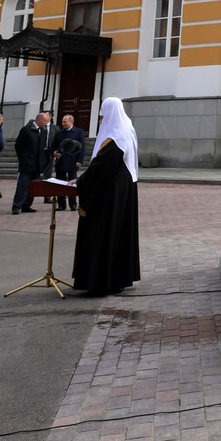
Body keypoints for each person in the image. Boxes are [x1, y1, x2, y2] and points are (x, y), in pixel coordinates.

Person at [73, 96, 141, 296]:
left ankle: (101, 280)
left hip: (109, 194)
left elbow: (100, 170)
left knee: (104, 232)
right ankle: (116, 278)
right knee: (117, 232)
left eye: (102, 116)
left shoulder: (116, 138)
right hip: (121, 189)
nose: (101, 120)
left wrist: (80, 181)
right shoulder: (126, 131)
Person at [13, 110, 52, 214]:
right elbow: (18, 145)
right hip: (27, 164)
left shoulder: (43, 131)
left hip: (37, 164)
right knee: (23, 185)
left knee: (33, 187)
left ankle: (27, 205)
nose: (46, 124)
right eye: (45, 121)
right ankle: (17, 205)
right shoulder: (26, 130)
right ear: (39, 120)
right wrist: (23, 158)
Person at [55, 113, 87, 211]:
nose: (63, 123)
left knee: (72, 183)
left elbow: (82, 147)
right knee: (60, 183)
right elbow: (54, 146)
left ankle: (73, 204)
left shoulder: (78, 132)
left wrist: (79, 160)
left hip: (73, 162)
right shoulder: (59, 133)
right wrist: (54, 153)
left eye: (65, 121)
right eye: (62, 121)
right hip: (61, 162)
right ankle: (61, 204)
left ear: (71, 121)